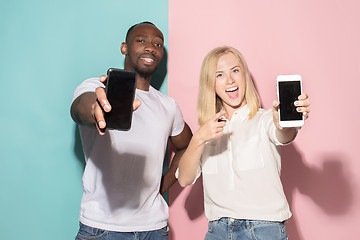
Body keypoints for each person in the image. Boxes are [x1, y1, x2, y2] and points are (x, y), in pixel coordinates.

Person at [70, 21, 192, 240]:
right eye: (141, 40)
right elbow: (81, 108)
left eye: (157, 44)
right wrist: (97, 109)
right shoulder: (96, 87)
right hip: (101, 229)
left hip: (154, 229)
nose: (150, 47)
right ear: (124, 47)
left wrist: (161, 186)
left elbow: (187, 146)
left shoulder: (168, 105)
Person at [177, 46, 310, 240]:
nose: (230, 80)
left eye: (235, 71)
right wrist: (198, 139)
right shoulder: (207, 132)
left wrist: (286, 122)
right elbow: (184, 179)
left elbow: (283, 135)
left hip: (263, 230)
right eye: (220, 75)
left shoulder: (264, 119)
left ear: (244, 75)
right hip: (218, 230)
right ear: (211, 84)